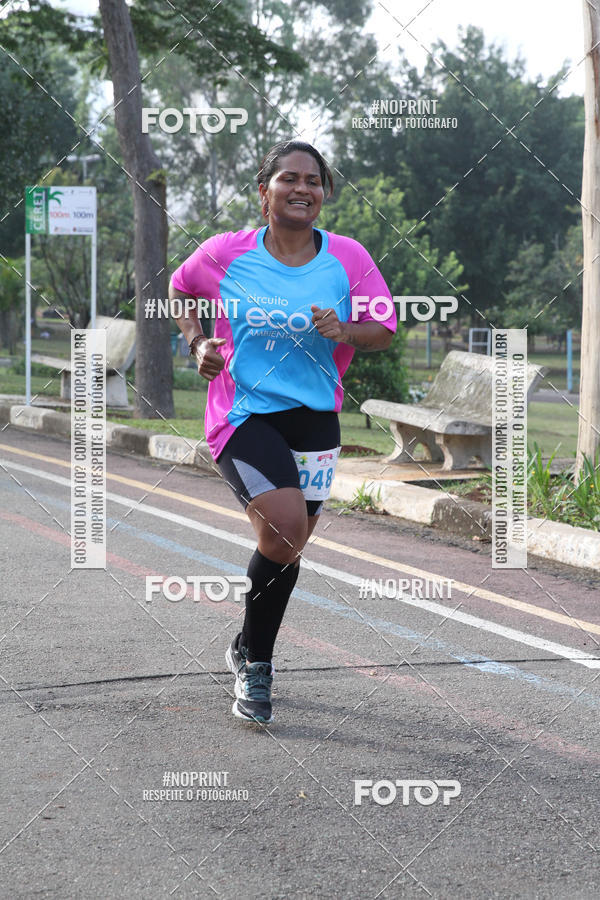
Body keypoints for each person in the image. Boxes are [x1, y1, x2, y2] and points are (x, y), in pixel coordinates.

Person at [169, 139, 396, 725]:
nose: (303, 189)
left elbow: (383, 330)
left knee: (287, 545)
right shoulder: (224, 253)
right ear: (263, 191)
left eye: (314, 181)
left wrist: (344, 329)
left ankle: (245, 644)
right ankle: (258, 667)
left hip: (315, 416)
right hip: (242, 415)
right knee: (286, 525)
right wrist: (198, 344)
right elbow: (179, 290)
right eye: (289, 179)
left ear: (323, 195)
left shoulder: (348, 258)